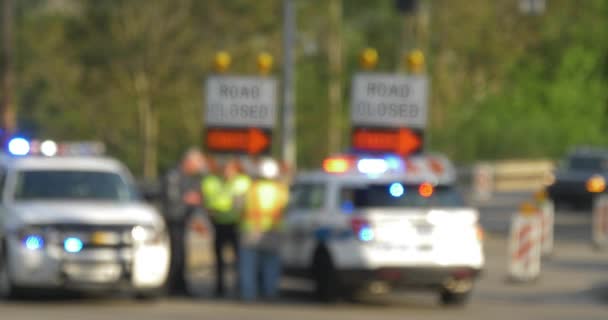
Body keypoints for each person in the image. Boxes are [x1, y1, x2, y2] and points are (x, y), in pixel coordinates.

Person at [238, 157, 289, 302]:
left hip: (251, 231)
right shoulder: (281, 189)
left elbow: (239, 207)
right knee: (271, 265)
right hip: (273, 231)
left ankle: (248, 294)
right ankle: (270, 292)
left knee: (248, 265)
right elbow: (286, 209)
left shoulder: (250, 187)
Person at [202, 158, 251, 297]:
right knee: (219, 258)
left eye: (230, 169)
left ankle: (238, 286)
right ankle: (220, 287)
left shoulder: (243, 182)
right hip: (218, 224)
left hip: (236, 225)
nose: (227, 172)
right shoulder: (212, 182)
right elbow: (208, 200)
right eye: (225, 169)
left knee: (238, 258)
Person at [162, 148, 206, 296]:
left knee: (182, 254)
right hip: (173, 220)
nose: (197, 168)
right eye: (196, 164)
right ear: (188, 162)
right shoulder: (174, 175)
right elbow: (171, 198)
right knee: (175, 255)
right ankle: (170, 286)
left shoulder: (189, 177)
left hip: (183, 220)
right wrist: (186, 199)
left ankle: (180, 286)